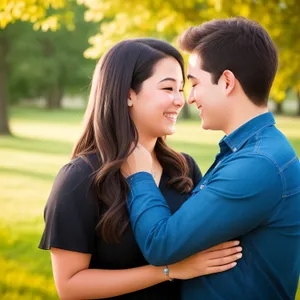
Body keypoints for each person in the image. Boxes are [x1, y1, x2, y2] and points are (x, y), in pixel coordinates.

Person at [38, 38, 243, 300]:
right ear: (127, 94)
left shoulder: (184, 169)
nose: (180, 101)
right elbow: (69, 286)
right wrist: (167, 270)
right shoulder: (80, 177)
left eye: (182, 89)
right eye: (168, 88)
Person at [124, 18, 300, 300]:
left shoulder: (258, 164)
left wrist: (139, 176)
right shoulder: (252, 151)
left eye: (194, 83)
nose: (189, 98)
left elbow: (161, 243)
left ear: (227, 82)